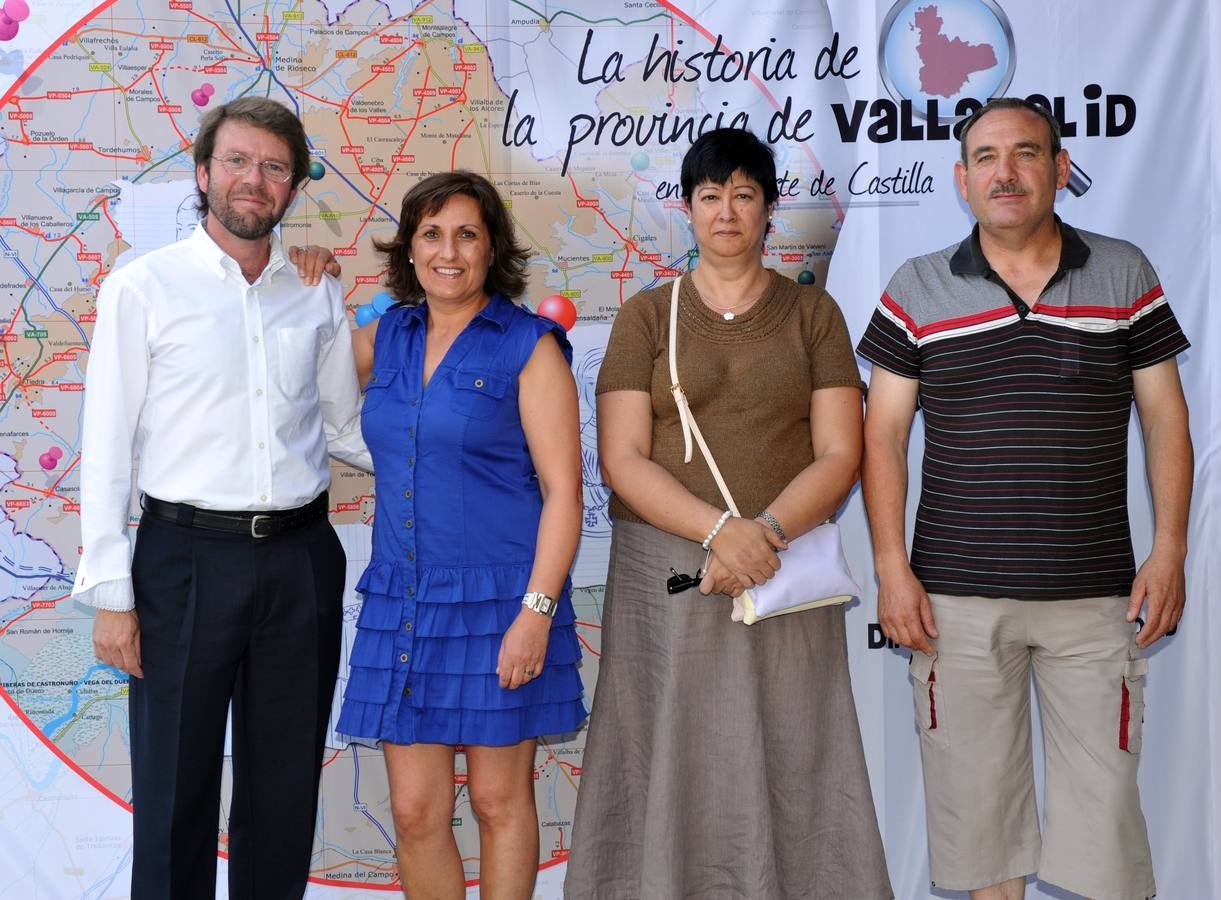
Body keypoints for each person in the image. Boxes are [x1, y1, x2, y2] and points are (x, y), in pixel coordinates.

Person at [858, 98, 1192, 900]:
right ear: (960, 179)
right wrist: (889, 569)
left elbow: (1165, 418)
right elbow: (881, 438)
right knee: (980, 830)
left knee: (1105, 824)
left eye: (1024, 152)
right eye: (984, 157)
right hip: (954, 604)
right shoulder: (918, 286)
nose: (1003, 171)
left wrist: (1170, 549)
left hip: (1094, 598)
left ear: (1059, 166)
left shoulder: (1123, 271)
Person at [565, 128, 892, 899]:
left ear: (769, 210)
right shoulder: (646, 317)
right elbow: (621, 457)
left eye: (743, 195)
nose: (725, 211)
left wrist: (763, 535)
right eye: (710, 196)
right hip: (665, 571)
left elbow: (839, 453)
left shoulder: (815, 317)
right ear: (687, 208)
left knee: (795, 746)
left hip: (782, 568)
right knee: (665, 746)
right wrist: (719, 531)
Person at [74, 97, 370, 899]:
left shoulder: (315, 292)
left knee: (281, 795)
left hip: (301, 562)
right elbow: (105, 449)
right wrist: (111, 593)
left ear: (291, 189)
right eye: (238, 161)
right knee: (174, 790)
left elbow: (346, 430)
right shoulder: (141, 287)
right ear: (203, 174)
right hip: (182, 564)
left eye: (274, 167)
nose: (254, 179)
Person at [333, 170, 587, 898]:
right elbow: (286, 376)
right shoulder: (385, 337)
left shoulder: (528, 346)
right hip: (402, 601)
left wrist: (535, 615)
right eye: (432, 233)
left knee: (497, 802)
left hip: (500, 603)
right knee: (415, 813)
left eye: (466, 234)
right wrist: (311, 286)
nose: (449, 251)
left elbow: (564, 492)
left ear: (491, 249)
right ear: (408, 249)